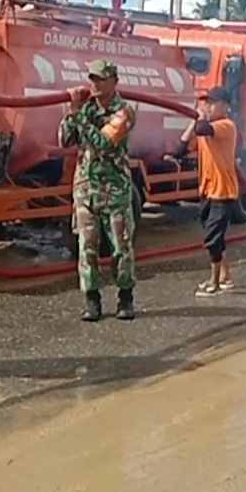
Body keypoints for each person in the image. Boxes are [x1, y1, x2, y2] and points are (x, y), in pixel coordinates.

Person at [59, 59, 139, 322]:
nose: (94, 84)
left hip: (114, 189)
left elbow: (104, 143)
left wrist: (78, 114)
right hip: (85, 189)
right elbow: (64, 140)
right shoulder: (86, 109)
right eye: (92, 78)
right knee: (87, 248)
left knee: (120, 246)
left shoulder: (124, 111)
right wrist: (71, 114)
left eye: (100, 79)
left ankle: (125, 297)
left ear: (114, 81)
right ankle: (91, 300)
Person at [165, 87, 239, 296]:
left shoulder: (225, 126)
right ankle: (226, 276)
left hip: (223, 191)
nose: (208, 106)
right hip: (207, 190)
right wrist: (192, 120)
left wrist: (199, 118)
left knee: (212, 238)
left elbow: (203, 129)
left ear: (225, 106)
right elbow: (181, 147)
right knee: (215, 236)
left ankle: (214, 282)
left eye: (212, 102)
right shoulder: (205, 129)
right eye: (206, 102)